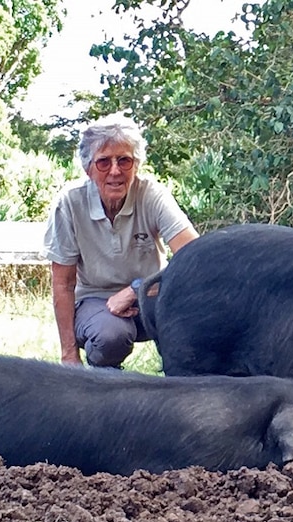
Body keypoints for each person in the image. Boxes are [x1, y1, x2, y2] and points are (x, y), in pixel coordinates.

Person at [42, 113, 199, 368]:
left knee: (195, 316)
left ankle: (181, 388)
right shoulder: (70, 203)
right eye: (104, 162)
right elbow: (63, 283)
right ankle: (105, 387)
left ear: (136, 165)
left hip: (152, 294)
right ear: (88, 168)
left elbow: (194, 257)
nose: (115, 171)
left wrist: (137, 289)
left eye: (124, 160)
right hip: (95, 300)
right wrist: (69, 355)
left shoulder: (152, 195)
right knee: (110, 335)